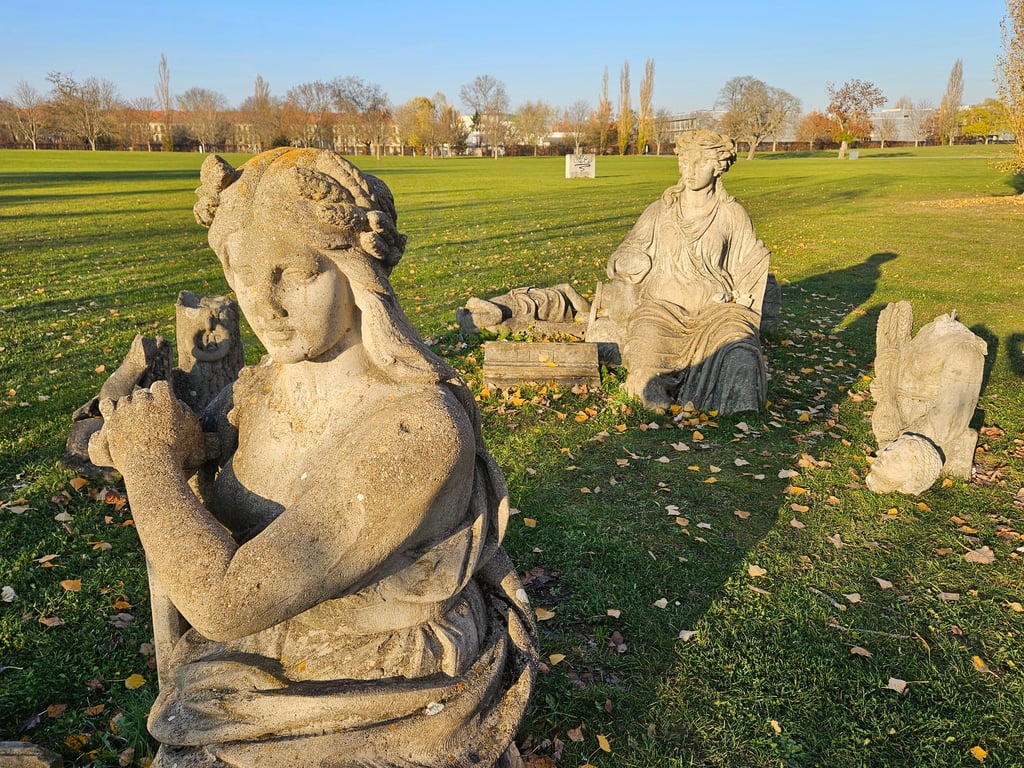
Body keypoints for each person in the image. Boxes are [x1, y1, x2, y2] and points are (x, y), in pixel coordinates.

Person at [90, 148, 536, 767]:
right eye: (243, 278)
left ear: (358, 272)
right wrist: (166, 444)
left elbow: (225, 603)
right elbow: (186, 451)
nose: (263, 307)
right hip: (257, 653)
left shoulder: (416, 431)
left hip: (372, 684)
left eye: (294, 275)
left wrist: (148, 464)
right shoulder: (256, 391)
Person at [586, 130, 770, 413]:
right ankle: (658, 393)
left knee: (741, 354)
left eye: (699, 163)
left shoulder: (732, 215)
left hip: (715, 316)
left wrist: (743, 298)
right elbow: (622, 255)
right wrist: (629, 262)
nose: (690, 171)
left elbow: (749, 268)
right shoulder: (660, 211)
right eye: (685, 162)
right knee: (646, 367)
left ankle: (735, 409)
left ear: (718, 166)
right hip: (660, 313)